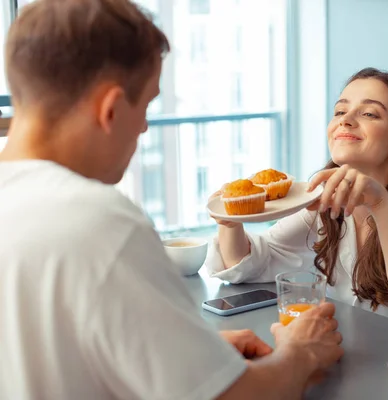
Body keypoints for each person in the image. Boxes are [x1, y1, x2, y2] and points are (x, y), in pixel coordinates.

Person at [0, 1, 342, 399]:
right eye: (145, 105)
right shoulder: (98, 222)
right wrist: (300, 353)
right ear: (109, 110)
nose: (144, 126)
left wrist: (189, 355)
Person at [207, 68, 388, 340]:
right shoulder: (322, 199)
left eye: (369, 113)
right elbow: (251, 264)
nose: (345, 121)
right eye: (340, 111)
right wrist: (230, 221)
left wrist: (382, 205)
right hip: (361, 360)